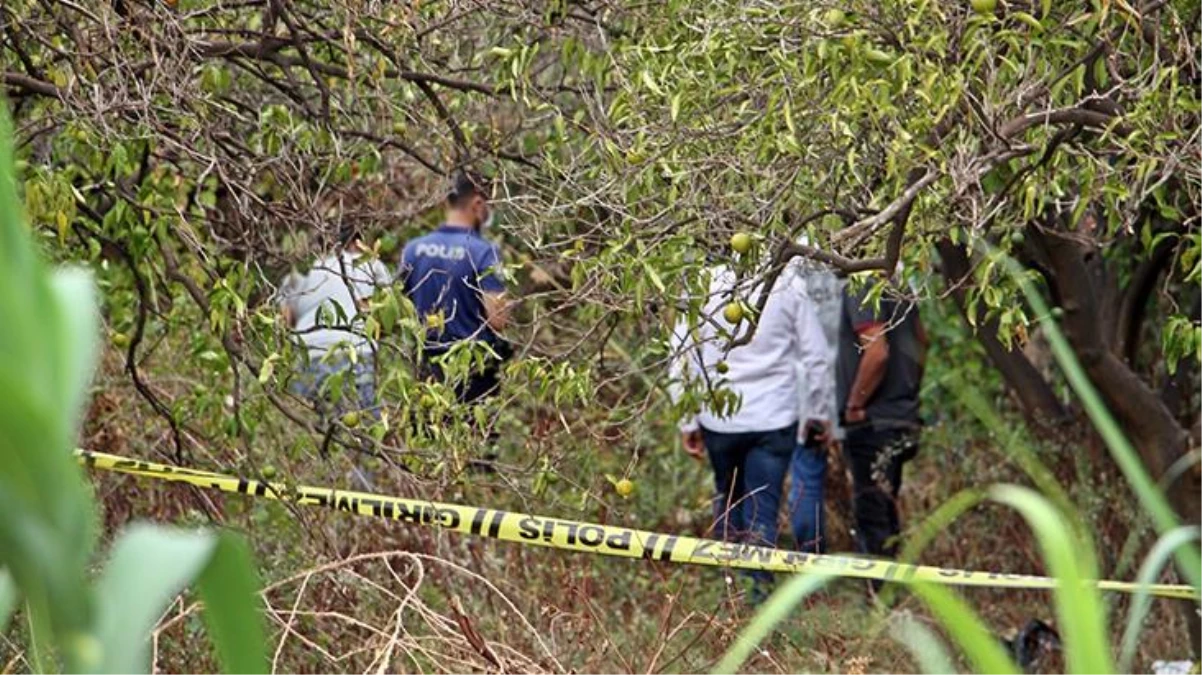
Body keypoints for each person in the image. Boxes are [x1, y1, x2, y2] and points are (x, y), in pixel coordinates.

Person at [671, 258, 831, 603]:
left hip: (718, 418)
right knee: (763, 505)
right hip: (774, 416)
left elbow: (680, 353)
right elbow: (815, 354)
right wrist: (818, 413)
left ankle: (730, 587)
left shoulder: (702, 282)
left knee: (727, 497)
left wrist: (687, 418)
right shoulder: (786, 281)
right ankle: (757, 592)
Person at [399, 172, 511, 461]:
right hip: (474, 368)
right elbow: (497, 318)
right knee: (476, 454)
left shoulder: (413, 249)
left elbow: (396, 308)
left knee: (428, 454)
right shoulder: (483, 252)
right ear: (476, 204)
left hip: (428, 366)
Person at [836, 269, 928, 564]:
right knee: (886, 505)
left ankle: (880, 597)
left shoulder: (861, 285)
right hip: (901, 414)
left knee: (872, 511)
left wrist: (854, 404)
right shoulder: (898, 284)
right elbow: (922, 342)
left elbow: (877, 352)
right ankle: (890, 592)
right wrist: (910, 388)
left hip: (873, 420)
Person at [280, 224, 392, 419]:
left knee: (309, 425)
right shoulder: (372, 266)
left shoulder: (303, 272)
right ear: (358, 243)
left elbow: (285, 318)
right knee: (362, 425)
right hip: (356, 352)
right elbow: (387, 316)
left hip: (309, 352)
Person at [787, 253, 842, 554]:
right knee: (807, 478)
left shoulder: (785, 268)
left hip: (778, 394)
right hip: (821, 389)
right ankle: (810, 560)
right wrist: (821, 410)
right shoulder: (840, 260)